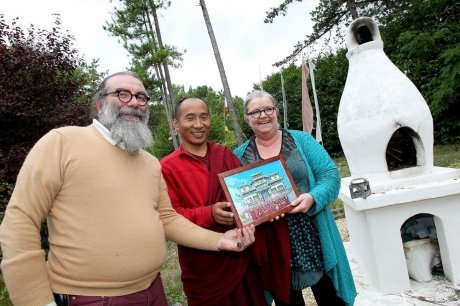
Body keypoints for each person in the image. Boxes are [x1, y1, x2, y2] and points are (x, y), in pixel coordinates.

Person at [0, 71, 256, 306]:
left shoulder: (149, 162)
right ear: (100, 103)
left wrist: (220, 240)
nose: (134, 102)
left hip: (153, 291)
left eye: (141, 97)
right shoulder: (62, 142)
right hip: (92, 299)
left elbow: (167, 219)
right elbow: (20, 221)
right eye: (122, 94)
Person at [234, 90, 357, 306]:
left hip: (313, 233)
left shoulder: (301, 140)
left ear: (276, 111)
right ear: (246, 119)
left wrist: (312, 197)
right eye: (255, 112)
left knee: (330, 296)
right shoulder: (239, 155)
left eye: (268, 109)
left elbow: (330, 175)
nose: (263, 115)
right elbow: (236, 196)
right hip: (274, 244)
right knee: (287, 299)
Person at [160, 97, 266, 306]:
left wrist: (269, 206)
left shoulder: (225, 154)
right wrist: (209, 214)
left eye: (204, 117)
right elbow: (170, 217)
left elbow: (246, 195)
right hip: (203, 266)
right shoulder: (167, 167)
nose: (199, 124)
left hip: (241, 258)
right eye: (190, 118)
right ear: (176, 124)